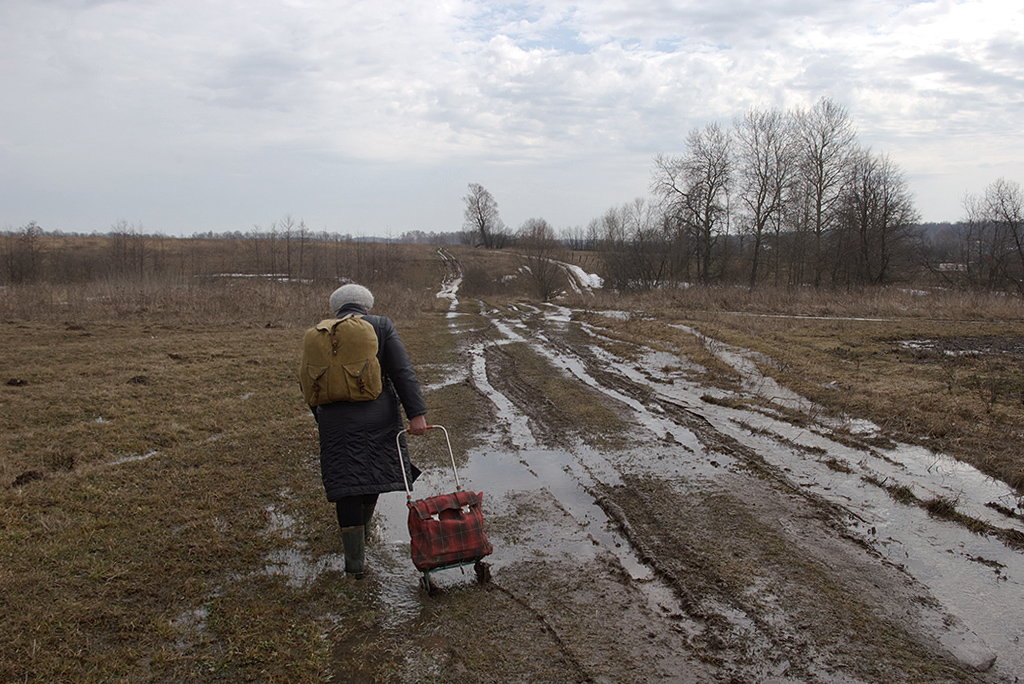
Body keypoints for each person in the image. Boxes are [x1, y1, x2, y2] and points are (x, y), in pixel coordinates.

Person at [306, 283, 428, 579]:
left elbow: (309, 382)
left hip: (334, 421)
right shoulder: (380, 325)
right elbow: (402, 370)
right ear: (366, 306)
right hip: (378, 416)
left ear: (336, 308)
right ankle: (366, 532)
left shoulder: (322, 333)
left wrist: (320, 415)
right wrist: (416, 414)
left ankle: (355, 562)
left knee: (345, 484)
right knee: (370, 475)